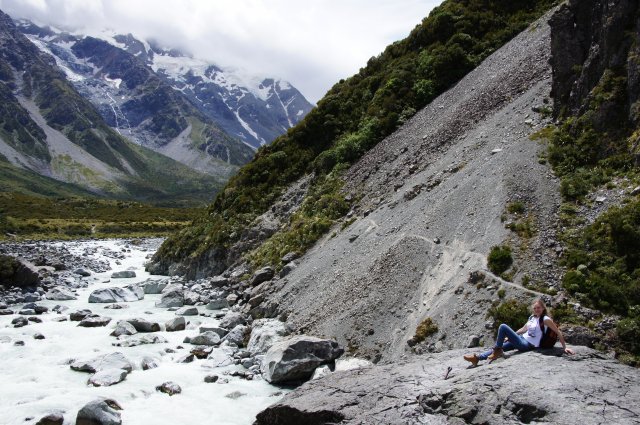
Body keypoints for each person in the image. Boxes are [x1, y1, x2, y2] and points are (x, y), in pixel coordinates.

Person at [464, 298, 575, 366]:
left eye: (539, 308)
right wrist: (512, 336)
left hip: (527, 345)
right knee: (500, 345)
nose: (537, 310)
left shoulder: (545, 319)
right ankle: (477, 358)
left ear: (543, 308)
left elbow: (558, 331)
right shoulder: (532, 317)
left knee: (503, 327)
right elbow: (523, 329)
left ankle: (497, 351)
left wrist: (564, 347)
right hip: (521, 339)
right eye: (535, 308)